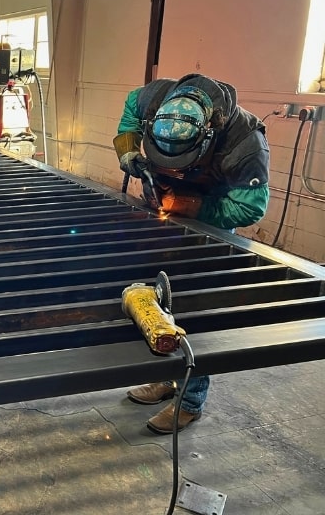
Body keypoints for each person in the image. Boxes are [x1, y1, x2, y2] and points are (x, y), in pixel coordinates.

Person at [113, 73, 270, 433]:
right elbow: (127, 119)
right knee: (156, 302)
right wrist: (128, 154)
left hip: (210, 222)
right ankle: (166, 378)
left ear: (207, 137)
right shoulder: (152, 99)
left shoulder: (246, 144)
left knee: (196, 312)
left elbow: (251, 208)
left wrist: (191, 207)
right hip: (162, 210)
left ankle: (190, 400)